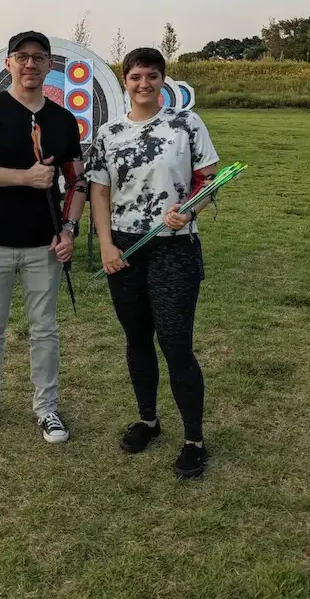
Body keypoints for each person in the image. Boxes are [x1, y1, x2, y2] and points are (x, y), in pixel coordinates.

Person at [86, 47, 219, 478]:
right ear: (124, 80)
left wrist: (191, 210)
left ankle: (194, 439)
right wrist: (107, 245)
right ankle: (148, 420)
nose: (144, 84)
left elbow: (209, 179)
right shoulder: (108, 133)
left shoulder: (186, 124)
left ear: (164, 80)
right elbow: (100, 192)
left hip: (174, 246)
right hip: (126, 247)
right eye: (136, 76)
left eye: (153, 76)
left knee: (176, 343)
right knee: (137, 338)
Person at [0, 31, 87, 443]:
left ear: (49, 66)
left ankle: (47, 408)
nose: (30, 64)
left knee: (44, 329)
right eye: (22, 57)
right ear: (8, 63)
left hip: (43, 243)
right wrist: (23, 178)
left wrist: (70, 228)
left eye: (39, 58)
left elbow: (77, 182)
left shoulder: (62, 120)